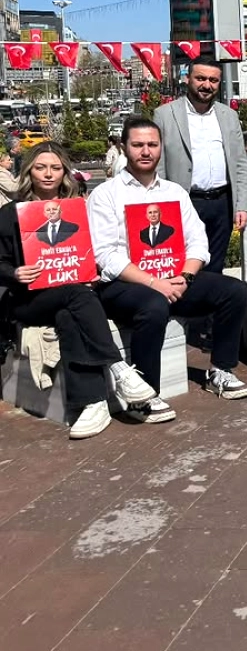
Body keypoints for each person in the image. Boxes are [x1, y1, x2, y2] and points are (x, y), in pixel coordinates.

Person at [88, 118, 247, 415]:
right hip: (125, 285)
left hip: (174, 277)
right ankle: (145, 394)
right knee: (153, 306)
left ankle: (221, 370)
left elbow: (198, 242)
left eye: (152, 145)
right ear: (125, 147)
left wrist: (185, 277)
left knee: (234, 291)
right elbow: (105, 256)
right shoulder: (106, 194)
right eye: (138, 145)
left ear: (161, 148)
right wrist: (154, 283)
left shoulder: (174, 192)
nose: (146, 151)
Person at [0, 142, 157, 439]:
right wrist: (15, 272)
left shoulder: (77, 210)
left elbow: (92, 251)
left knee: (68, 312)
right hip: (28, 299)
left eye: (55, 168)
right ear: (28, 170)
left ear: (65, 173)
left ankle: (93, 404)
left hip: (69, 294)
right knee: (75, 295)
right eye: (40, 167)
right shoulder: (10, 213)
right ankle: (120, 368)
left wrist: (91, 270)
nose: (48, 174)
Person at [154, 55, 247, 271]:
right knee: (184, 264)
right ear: (187, 78)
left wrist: (242, 204)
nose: (206, 85)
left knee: (215, 266)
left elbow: (239, 164)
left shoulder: (229, 115)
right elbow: (158, 166)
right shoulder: (164, 115)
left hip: (222, 203)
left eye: (213, 80)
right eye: (200, 78)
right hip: (185, 202)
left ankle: (210, 304)